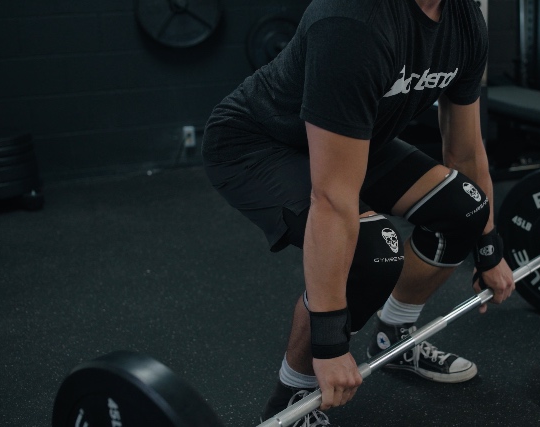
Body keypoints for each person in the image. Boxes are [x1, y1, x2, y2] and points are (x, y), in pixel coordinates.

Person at [202, 0, 515, 424]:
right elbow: (332, 199)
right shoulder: (353, 21)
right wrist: (329, 348)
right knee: (372, 251)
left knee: (465, 208)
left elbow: (465, 151)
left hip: (357, 141)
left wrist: (488, 245)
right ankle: (294, 397)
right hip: (259, 145)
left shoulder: (464, 20)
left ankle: (394, 335)